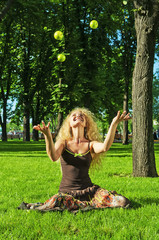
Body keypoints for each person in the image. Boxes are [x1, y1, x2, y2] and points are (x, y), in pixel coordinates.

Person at [18, 108, 131, 212]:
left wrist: (114, 123)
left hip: (89, 192)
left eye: (82, 115)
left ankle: (83, 204)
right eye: (74, 115)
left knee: (122, 201)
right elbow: (53, 157)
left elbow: (105, 147)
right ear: (69, 123)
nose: (78, 116)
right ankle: (36, 209)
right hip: (67, 194)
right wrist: (47, 136)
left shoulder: (90, 144)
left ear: (86, 123)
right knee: (58, 200)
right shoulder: (63, 142)